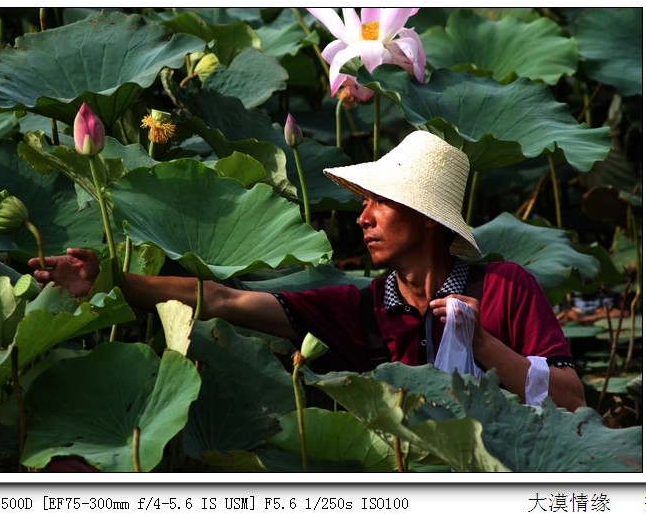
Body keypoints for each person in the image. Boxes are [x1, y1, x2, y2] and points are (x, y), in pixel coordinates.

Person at [29, 131, 586, 412]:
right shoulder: (363, 308)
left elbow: (571, 398)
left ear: (427, 218)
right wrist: (109, 282)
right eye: (363, 203)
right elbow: (224, 300)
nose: (362, 218)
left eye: (379, 203)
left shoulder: (507, 286)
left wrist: (483, 343)